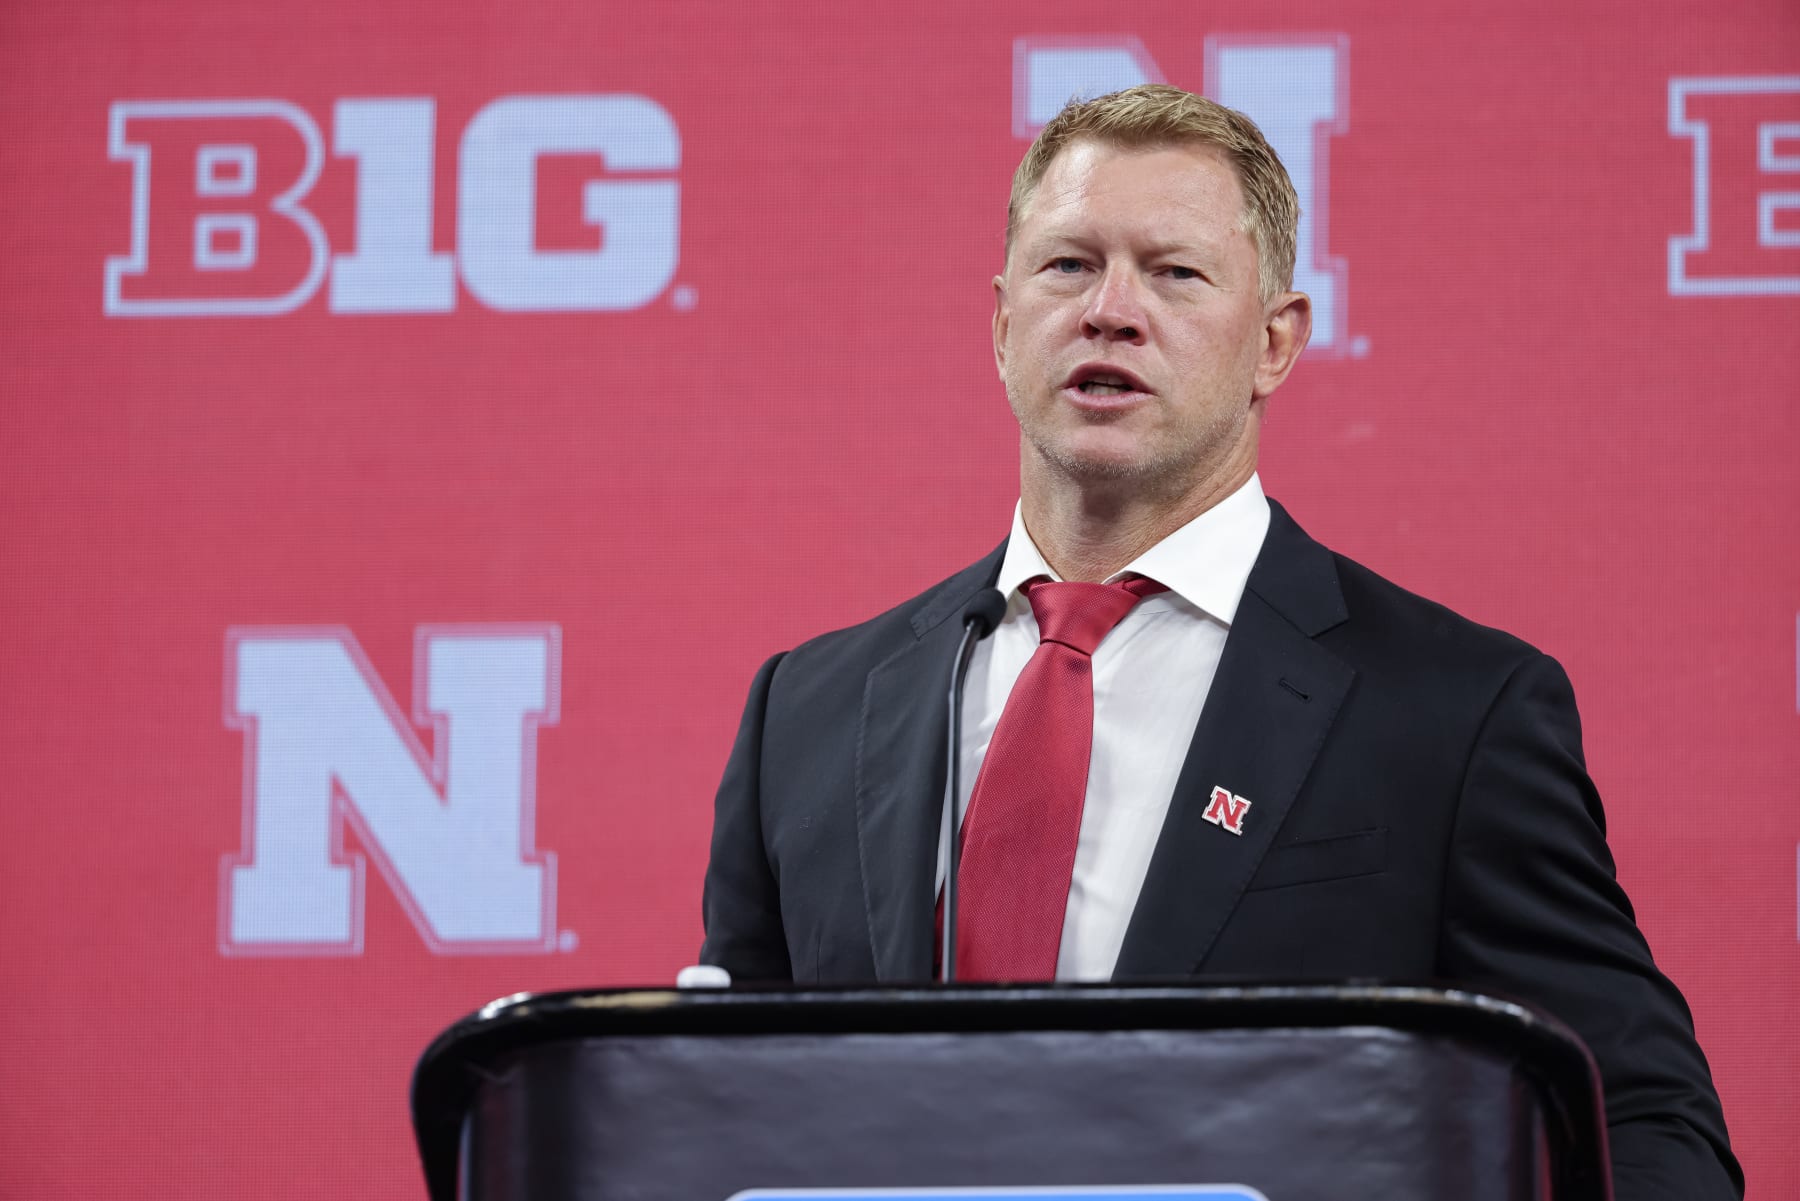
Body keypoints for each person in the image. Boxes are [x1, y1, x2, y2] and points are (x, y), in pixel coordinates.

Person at [699, 84, 1740, 1199]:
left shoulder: (1456, 712)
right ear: (1002, 327)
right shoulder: (807, 709)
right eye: (1067, 266)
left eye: (1175, 272)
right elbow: (714, 1117)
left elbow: (1640, 1126)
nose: (1110, 310)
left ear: (1275, 342)